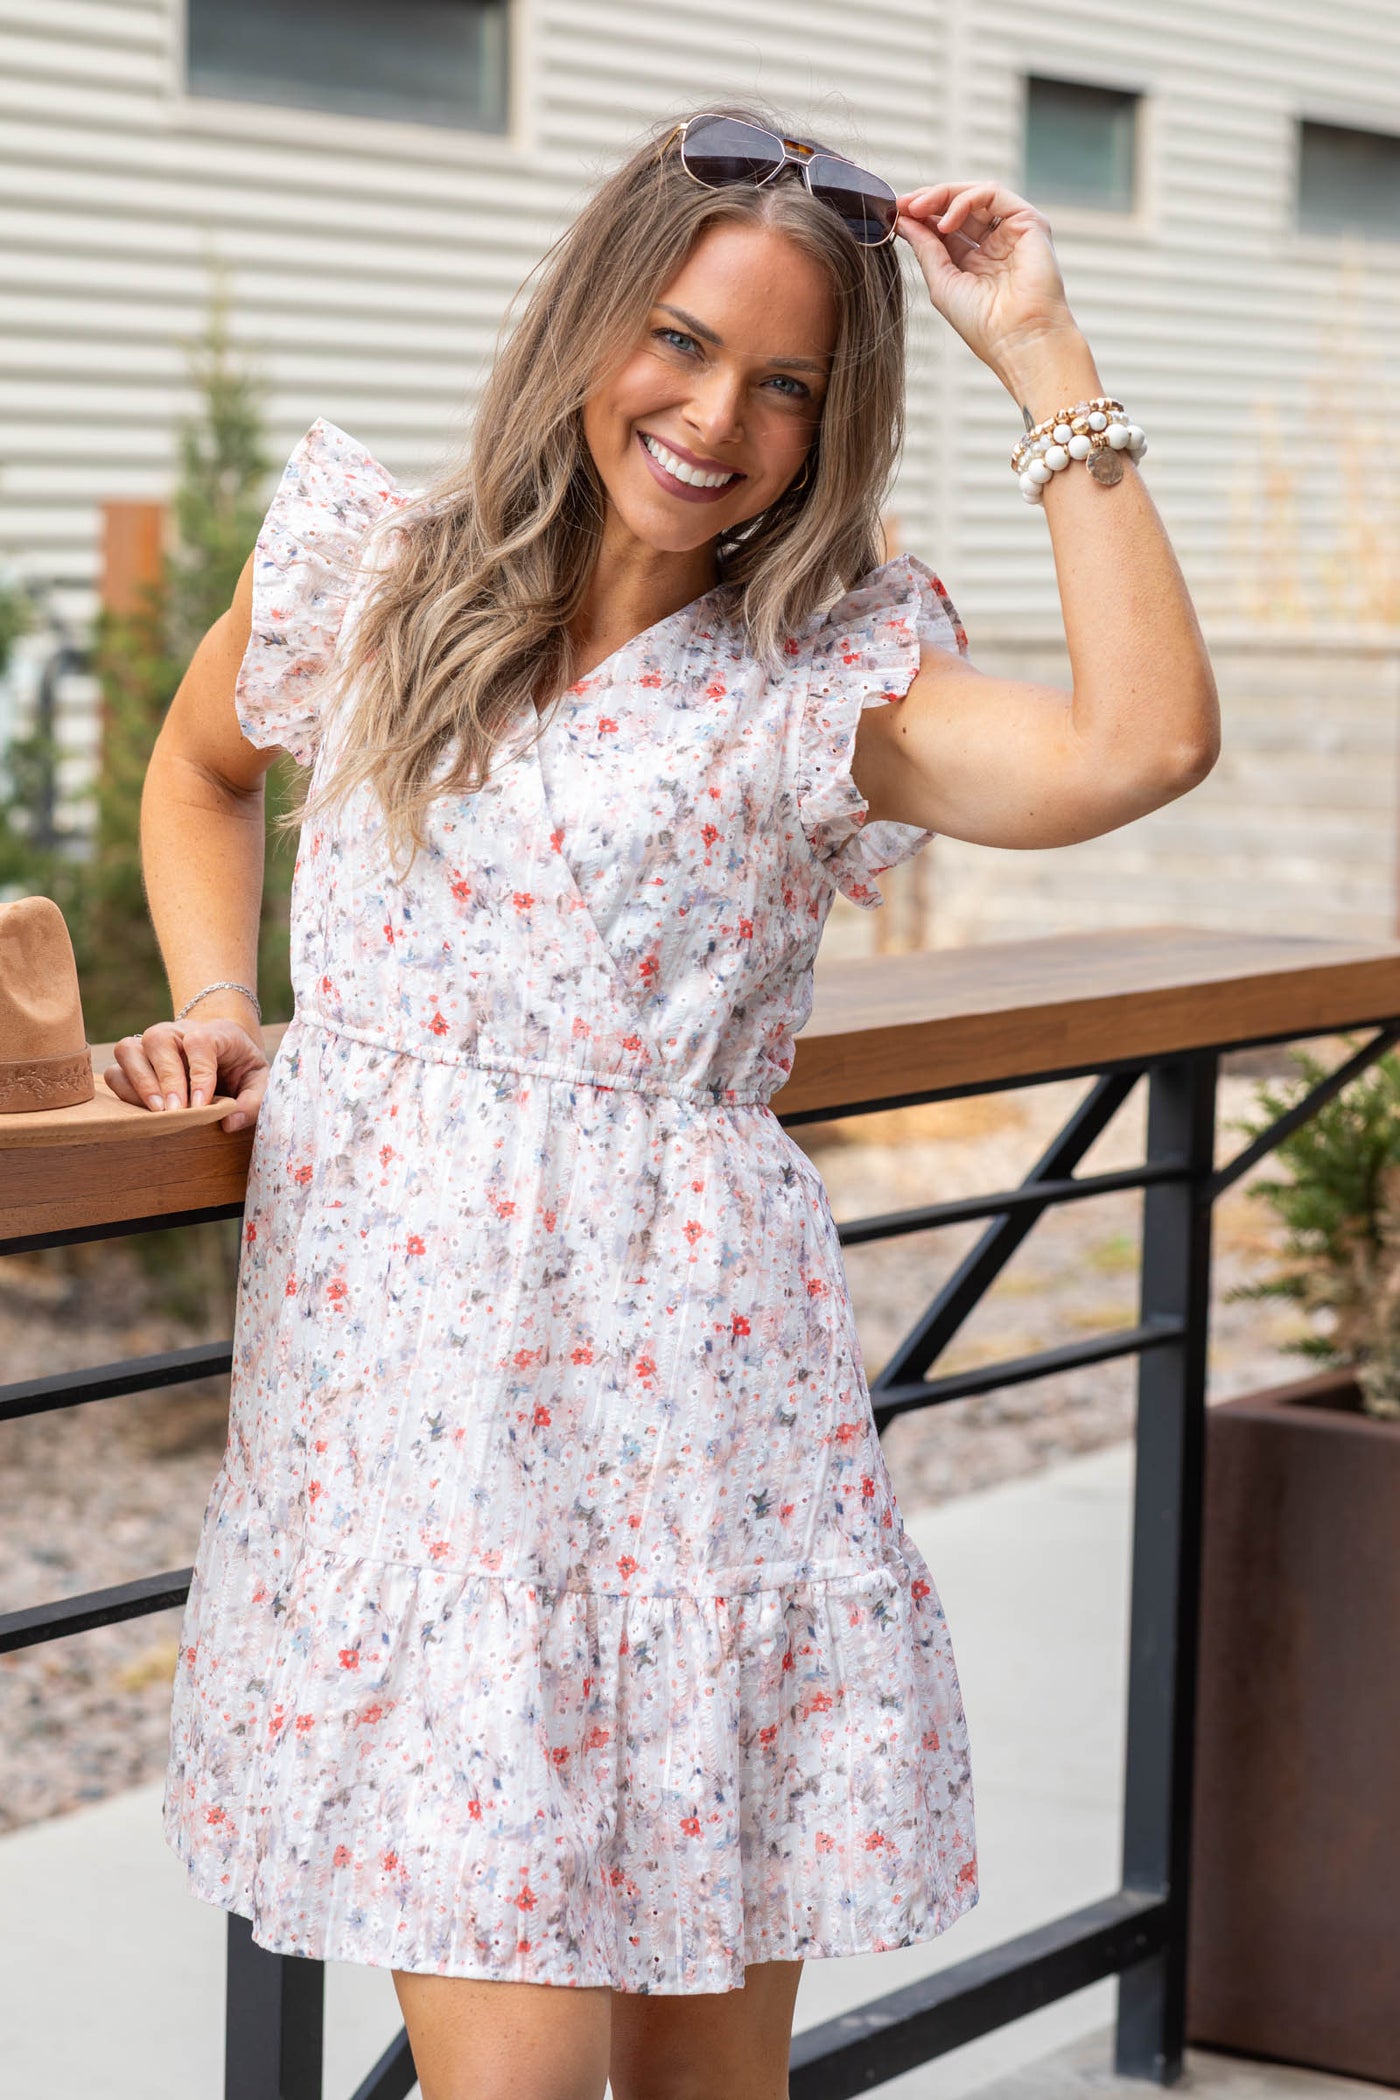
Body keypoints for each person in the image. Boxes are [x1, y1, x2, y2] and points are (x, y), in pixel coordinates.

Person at [109, 106, 1217, 2100]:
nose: (720, 417)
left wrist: (1043, 349)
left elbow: (1139, 748)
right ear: (593, 323)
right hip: (415, 1464)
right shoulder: (378, 582)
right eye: (684, 344)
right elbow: (198, 771)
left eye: (787, 385)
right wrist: (219, 1003)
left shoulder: (814, 680)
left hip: (706, 1466)